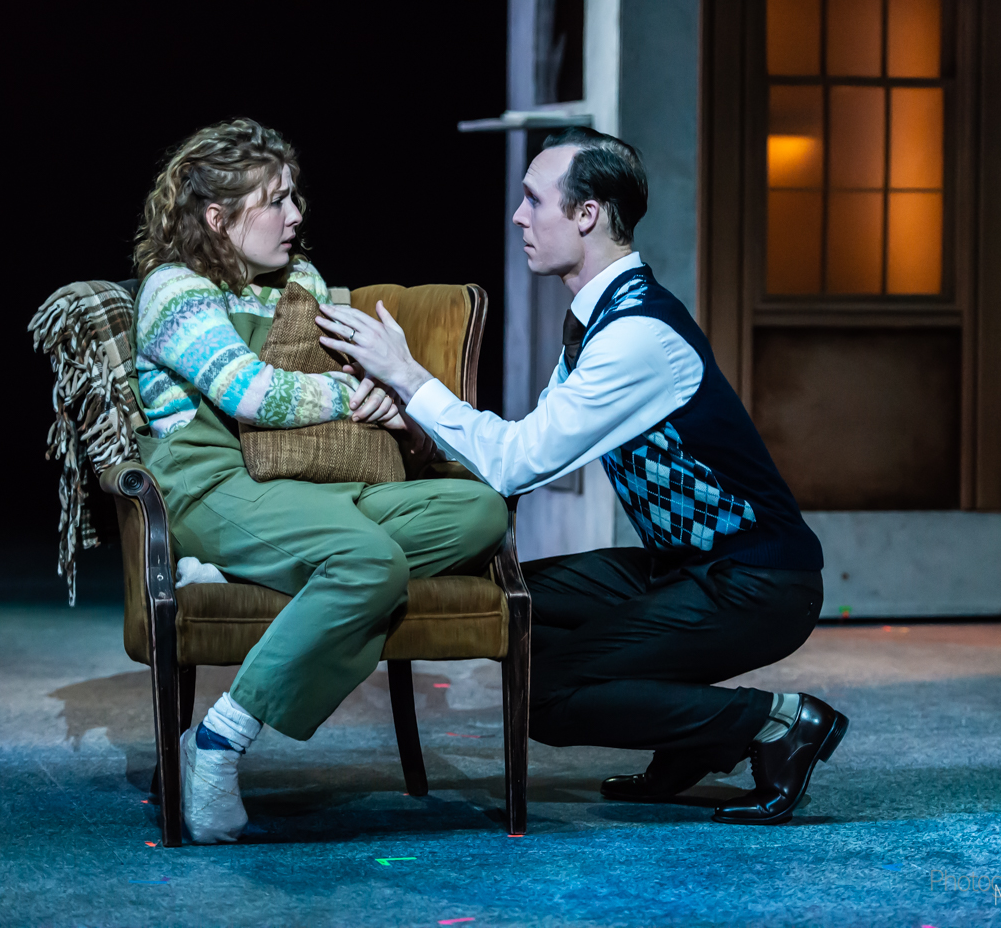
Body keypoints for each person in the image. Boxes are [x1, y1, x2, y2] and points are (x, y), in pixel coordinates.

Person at [318, 127, 847, 825]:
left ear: (587, 214)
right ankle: (690, 737)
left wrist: (408, 374)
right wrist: (411, 423)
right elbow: (517, 455)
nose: (519, 216)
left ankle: (774, 723)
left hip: (757, 583)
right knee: (509, 604)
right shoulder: (599, 322)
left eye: (535, 200)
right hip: (681, 569)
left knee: (544, 694)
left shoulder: (636, 336)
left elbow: (514, 462)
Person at [131, 118, 508, 843]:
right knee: (370, 562)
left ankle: (271, 568)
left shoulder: (297, 283)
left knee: (478, 511)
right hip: (212, 481)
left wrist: (386, 405)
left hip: (307, 476)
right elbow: (252, 393)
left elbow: (328, 388)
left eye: (294, 196)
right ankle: (219, 739)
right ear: (218, 218)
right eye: (275, 200)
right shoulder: (173, 290)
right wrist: (356, 395)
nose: (296, 214)